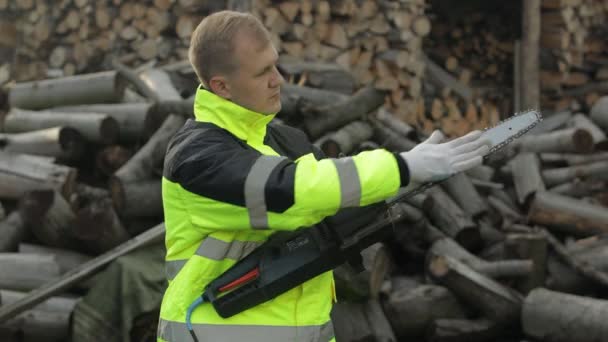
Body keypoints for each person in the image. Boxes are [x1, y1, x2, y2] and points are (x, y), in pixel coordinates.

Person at [157, 10, 491, 342]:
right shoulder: (198, 156)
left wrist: (408, 177)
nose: (278, 79)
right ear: (221, 86)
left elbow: (336, 194)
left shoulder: (284, 141)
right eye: (262, 73)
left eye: (275, 64)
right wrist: (400, 167)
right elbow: (291, 190)